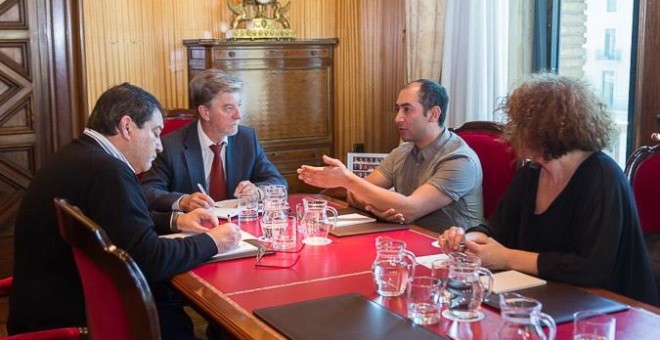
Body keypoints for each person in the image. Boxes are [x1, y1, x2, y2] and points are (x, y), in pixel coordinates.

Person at [8, 83, 242, 338]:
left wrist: (177, 221)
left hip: (46, 305)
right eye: (155, 133)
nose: (160, 146)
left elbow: (119, 222)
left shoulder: (80, 155)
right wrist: (213, 241)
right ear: (127, 126)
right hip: (78, 320)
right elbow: (150, 259)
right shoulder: (108, 171)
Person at [440, 73, 659, 306]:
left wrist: (505, 258)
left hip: (611, 306)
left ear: (557, 127)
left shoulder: (603, 176)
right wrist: (469, 238)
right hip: (546, 295)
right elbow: (497, 227)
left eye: (523, 124)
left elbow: (591, 269)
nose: (513, 132)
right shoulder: (532, 172)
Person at [297, 79, 483, 233]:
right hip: (406, 237)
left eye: (407, 109)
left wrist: (349, 181)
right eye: (397, 109)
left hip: (452, 256)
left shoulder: (459, 160)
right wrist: (380, 207)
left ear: (433, 114)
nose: (397, 118)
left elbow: (410, 209)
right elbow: (360, 193)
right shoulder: (403, 151)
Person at [140, 69, 287, 213]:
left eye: (239, 105)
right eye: (229, 108)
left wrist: (257, 192)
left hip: (238, 228)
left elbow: (278, 182)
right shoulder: (171, 146)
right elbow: (147, 191)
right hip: (194, 231)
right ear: (205, 112)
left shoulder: (247, 139)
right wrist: (183, 201)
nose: (238, 115)